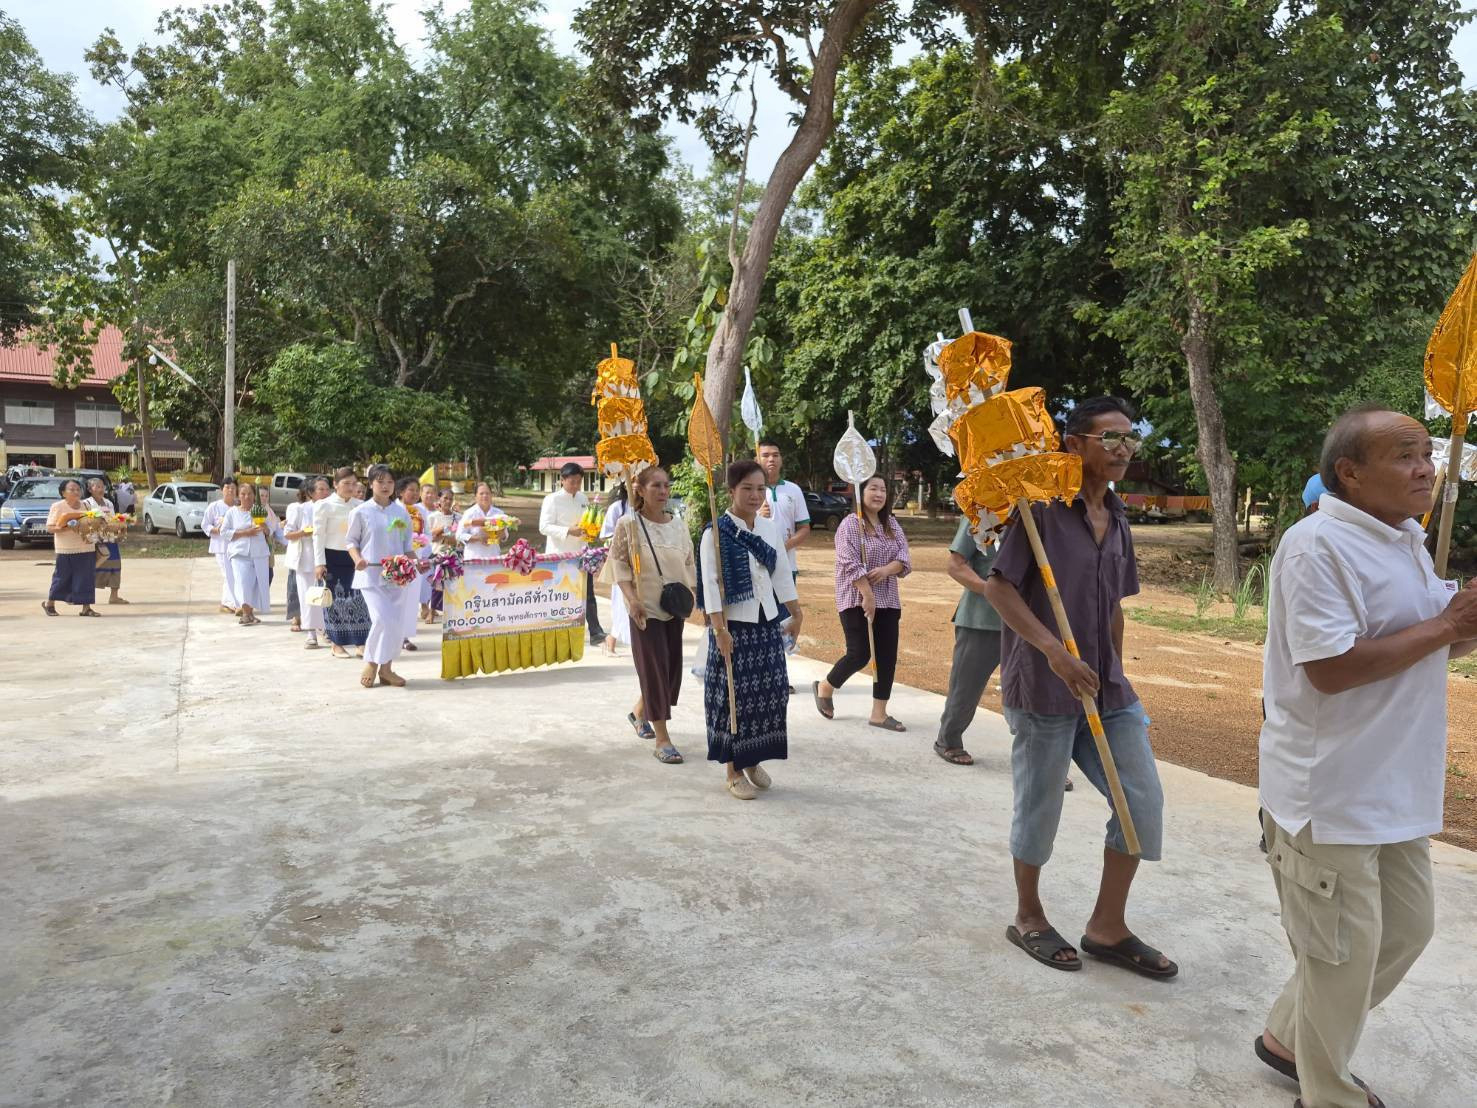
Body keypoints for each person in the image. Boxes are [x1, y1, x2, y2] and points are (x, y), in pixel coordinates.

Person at [1254, 407, 1477, 1108]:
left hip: (1394, 785)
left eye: (1427, 454)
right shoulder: (1315, 544)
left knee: (1406, 932)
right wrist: (1445, 624)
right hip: (1329, 791)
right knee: (1342, 957)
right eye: (1406, 456)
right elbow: (1330, 668)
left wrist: (1461, 625)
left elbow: (1426, 643)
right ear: (1348, 473)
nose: (1425, 470)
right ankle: (1327, 1094)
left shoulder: (1403, 537)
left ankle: (1286, 1036)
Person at [982, 396, 1172, 977]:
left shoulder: (1118, 518)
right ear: (1074, 445)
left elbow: (1114, 603)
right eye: (1110, 437)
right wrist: (1053, 652)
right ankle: (1029, 916)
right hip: (1043, 686)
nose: (1123, 449)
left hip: (1107, 689)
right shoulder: (1037, 512)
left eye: (1130, 438)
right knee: (1040, 805)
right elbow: (999, 588)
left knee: (1141, 804)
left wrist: (1113, 667)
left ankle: (1107, 928)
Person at [699, 460, 805, 800]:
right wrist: (719, 630)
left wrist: (796, 611)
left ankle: (752, 759)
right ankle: (732, 770)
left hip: (765, 622)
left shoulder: (768, 528)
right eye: (747, 488)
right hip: (732, 627)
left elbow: (780, 572)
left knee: (770, 693)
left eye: (760, 488)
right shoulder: (715, 533)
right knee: (735, 699)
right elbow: (711, 585)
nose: (755, 495)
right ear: (731, 491)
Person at [607, 466, 696, 763]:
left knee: (670, 671)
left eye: (666, 486)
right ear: (640, 490)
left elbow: (688, 562)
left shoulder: (679, 524)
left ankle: (638, 713)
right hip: (645, 609)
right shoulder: (628, 524)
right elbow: (619, 566)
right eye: (655, 486)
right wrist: (632, 600)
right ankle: (663, 738)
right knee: (654, 670)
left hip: (674, 608)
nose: (662, 491)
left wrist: (692, 595)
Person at [812, 474, 912, 731]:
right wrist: (867, 594)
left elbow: (904, 557)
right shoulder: (850, 524)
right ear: (861, 492)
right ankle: (826, 686)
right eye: (873, 489)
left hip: (888, 599)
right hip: (854, 598)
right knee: (860, 653)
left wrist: (887, 569)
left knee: (887, 656)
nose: (879, 494)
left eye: (883, 489)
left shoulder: (891, 524)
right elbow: (847, 561)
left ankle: (879, 713)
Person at [934, 516, 1004, 766]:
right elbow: (956, 565)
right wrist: (992, 591)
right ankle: (949, 739)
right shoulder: (986, 511)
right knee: (966, 688)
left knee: (1033, 693)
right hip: (982, 618)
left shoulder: (1044, 512)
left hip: (1032, 620)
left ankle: (1042, 761)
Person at [346, 464, 420, 688]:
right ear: (371, 484)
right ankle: (371, 661)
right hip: (370, 575)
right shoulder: (360, 511)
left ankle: (387, 669)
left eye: (389, 482)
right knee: (382, 619)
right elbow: (351, 541)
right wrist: (357, 559)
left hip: (398, 576)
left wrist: (418, 562)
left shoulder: (401, 511)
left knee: (395, 624)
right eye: (380, 482)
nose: (386, 486)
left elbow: (407, 545)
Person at [539, 461, 606, 644]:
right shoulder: (552, 499)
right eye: (572, 481)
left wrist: (590, 531)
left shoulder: (583, 499)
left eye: (579, 481)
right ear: (563, 480)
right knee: (560, 594)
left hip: (581, 553)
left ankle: (595, 631)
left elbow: (585, 522)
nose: (576, 485)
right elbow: (543, 527)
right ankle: (556, 632)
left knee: (588, 592)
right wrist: (568, 530)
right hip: (560, 555)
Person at [313, 467, 370, 659]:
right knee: (336, 602)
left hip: (356, 558)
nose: (350, 487)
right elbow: (318, 536)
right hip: (332, 558)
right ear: (335, 485)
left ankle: (361, 642)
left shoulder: (361, 505)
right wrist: (319, 562)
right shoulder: (324, 505)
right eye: (346, 484)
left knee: (359, 599)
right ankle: (336, 643)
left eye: (354, 484)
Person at [42, 477, 100, 617]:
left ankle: (86, 608)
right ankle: (50, 604)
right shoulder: (58, 506)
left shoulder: (86, 506)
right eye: (72, 489)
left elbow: (91, 522)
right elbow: (50, 528)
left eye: (78, 489)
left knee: (86, 578)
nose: (76, 492)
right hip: (66, 549)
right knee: (62, 577)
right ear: (63, 493)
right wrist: (68, 527)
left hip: (86, 547)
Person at [285, 477, 329, 649]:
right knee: (308, 596)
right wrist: (304, 532)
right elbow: (288, 534)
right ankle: (311, 633)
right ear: (311, 493)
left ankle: (326, 629)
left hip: (326, 558)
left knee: (326, 595)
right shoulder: (301, 510)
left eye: (327, 489)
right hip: (306, 559)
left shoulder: (332, 509)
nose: (326, 493)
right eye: (321, 489)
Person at [220, 482, 271, 626]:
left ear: (254, 496)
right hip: (239, 553)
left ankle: (250, 613)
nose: (246, 497)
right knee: (242, 583)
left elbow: (270, 531)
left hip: (259, 553)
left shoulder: (259, 510)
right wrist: (244, 533)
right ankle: (245, 613)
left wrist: (263, 526)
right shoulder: (232, 512)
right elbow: (224, 532)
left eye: (249, 493)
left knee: (256, 584)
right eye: (243, 494)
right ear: (238, 496)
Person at [395, 477, 428, 651]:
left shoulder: (420, 511)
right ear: (400, 492)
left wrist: (422, 541)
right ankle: (395, 636)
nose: (415, 494)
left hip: (417, 557)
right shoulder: (394, 509)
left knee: (411, 599)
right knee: (397, 597)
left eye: (417, 490)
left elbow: (427, 533)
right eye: (411, 490)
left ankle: (405, 636)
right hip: (398, 559)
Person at [599, 484, 632, 658]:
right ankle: (611, 641)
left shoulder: (648, 506)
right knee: (622, 603)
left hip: (643, 564)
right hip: (622, 563)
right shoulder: (617, 508)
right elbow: (605, 535)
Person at [83, 477, 127, 605]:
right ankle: (83, 595)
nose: (101, 489)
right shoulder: (86, 503)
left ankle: (114, 596)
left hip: (110, 539)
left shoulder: (108, 503)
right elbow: (86, 522)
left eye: (102, 486)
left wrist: (119, 524)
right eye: (97, 487)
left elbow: (112, 519)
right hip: (95, 540)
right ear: (90, 489)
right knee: (91, 568)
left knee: (115, 565)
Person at [203, 479, 239, 614]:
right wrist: (216, 530)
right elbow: (205, 524)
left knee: (234, 575)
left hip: (236, 546)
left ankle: (228, 602)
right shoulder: (214, 507)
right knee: (228, 574)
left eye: (233, 488)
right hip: (221, 546)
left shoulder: (237, 507)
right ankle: (230, 603)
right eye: (227, 487)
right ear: (221, 490)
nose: (230, 490)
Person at [457, 482, 509, 560]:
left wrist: (498, 536)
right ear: (476, 496)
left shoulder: (499, 513)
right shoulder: (469, 513)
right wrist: (478, 538)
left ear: (491, 495)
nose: (485, 496)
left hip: (493, 556)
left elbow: (505, 534)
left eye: (487, 493)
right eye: (481, 494)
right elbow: (459, 535)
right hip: (474, 557)